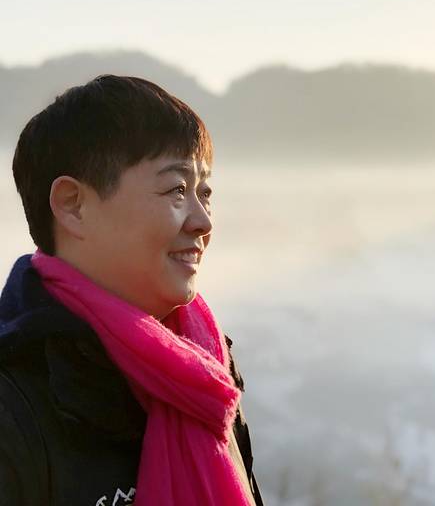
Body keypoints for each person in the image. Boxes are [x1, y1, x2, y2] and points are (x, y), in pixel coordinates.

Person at [0, 75, 263, 506]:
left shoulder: (206, 372)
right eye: (177, 190)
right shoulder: (15, 403)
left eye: (205, 192)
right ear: (72, 205)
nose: (203, 221)